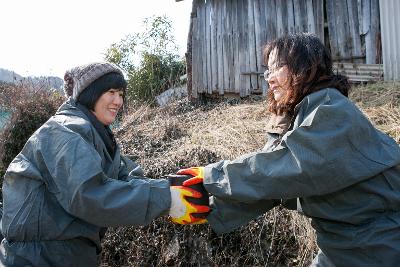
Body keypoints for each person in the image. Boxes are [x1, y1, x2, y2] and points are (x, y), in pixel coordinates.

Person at [177, 33, 400, 266]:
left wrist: (211, 176)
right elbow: (274, 187)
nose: (269, 80)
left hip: (380, 245)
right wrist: (208, 208)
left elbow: (284, 165)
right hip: (341, 246)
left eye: (277, 68)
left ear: (305, 67)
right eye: (267, 72)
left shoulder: (332, 111)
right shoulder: (303, 115)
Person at [0, 62, 208, 266]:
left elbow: (129, 178)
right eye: (111, 92)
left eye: (121, 94)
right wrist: (166, 196)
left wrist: (177, 187)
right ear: (90, 94)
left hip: (69, 255)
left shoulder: (98, 136)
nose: (118, 101)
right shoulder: (64, 132)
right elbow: (89, 194)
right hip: (38, 257)